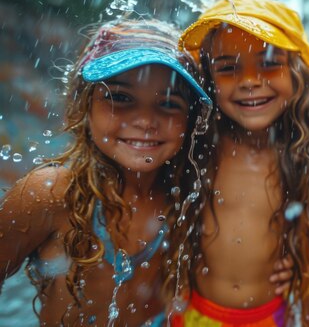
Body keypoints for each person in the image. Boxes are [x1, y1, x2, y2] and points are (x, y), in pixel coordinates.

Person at [0, 18, 212, 326]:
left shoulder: (190, 200)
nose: (145, 121)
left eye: (168, 103)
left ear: (191, 120)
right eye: (121, 97)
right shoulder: (50, 195)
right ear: (84, 103)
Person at [169, 0, 309, 326]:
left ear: (298, 74)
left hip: (268, 317)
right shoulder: (197, 145)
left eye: (269, 63)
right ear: (209, 77)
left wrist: (298, 262)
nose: (250, 81)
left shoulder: (304, 152)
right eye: (228, 67)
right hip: (195, 313)